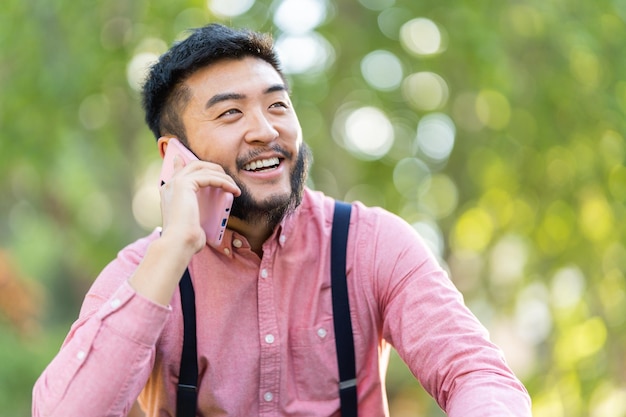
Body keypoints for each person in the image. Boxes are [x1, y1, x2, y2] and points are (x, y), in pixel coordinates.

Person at [32, 23, 532, 416]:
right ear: (174, 154)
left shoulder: (372, 244)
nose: (265, 130)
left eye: (277, 105)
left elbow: (477, 375)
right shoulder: (143, 273)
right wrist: (172, 251)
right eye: (230, 114)